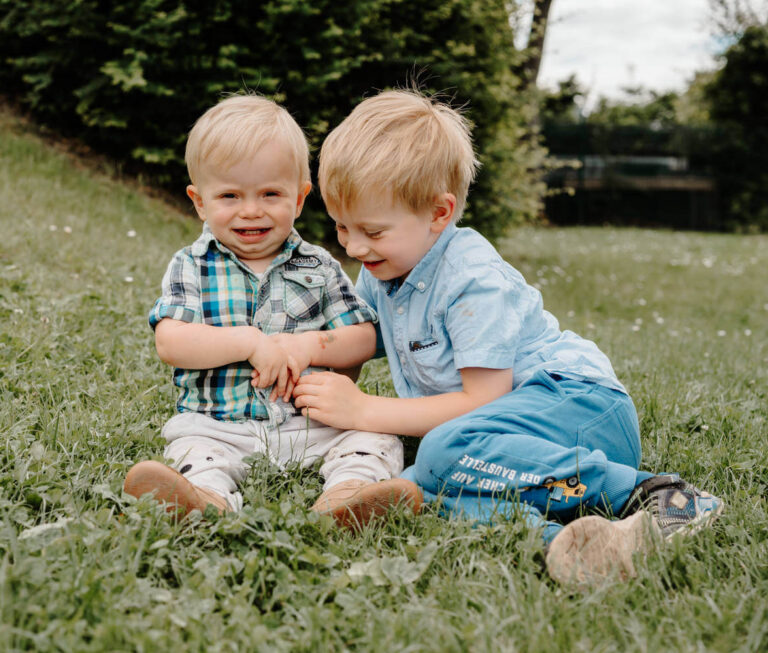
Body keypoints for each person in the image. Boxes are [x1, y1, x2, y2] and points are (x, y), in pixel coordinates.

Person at [291, 89, 724, 586]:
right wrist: (304, 349)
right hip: (513, 450)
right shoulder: (383, 268)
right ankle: (565, 545)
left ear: (438, 212)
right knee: (428, 487)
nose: (352, 245)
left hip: (577, 407)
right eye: (341, 227)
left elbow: (482, 399)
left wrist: (362, 409)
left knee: (438, 454)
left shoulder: (471, 278)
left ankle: (660, 496)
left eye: (372, 230)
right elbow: (363, 338)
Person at [124, 95, 421, 528]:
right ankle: (205, 498)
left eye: (270, 193)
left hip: (315, 424)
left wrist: (308, 345)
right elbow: (171, 341)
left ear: (299, 198)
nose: (251, 210)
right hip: (218, 424)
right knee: (192, 446)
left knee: (373, 436)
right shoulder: (191, 264)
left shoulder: (318, 266)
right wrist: (249, 341)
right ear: (199, 201)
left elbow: (364, 338)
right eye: (229, 195)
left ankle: (347, 494)